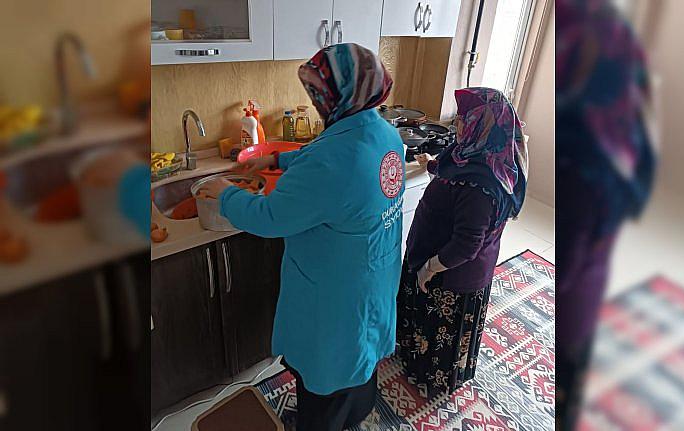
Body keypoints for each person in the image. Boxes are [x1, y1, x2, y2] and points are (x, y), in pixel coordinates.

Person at [200, 43, 404, 431]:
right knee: (359, 361)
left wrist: (225, 194)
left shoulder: (333, 163)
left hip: (334, 295)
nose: (315, 103)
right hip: (373, 275)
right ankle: (352, 418)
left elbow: (269, 217)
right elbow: (329, 153)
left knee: (326, 379)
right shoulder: (383, 132)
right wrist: (279, 159)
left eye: (317, 94)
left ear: (339, 96)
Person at [555, 1, 655, 429]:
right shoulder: (625, 140)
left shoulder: (581, 168)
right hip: (588, 298)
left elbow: (564, 269)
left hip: (570, 313)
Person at [397, 87, 528, 396]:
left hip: (450, 275)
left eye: (462, 118)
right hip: (441, 263)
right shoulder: (478, 155)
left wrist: (429, 268)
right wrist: (431, 164)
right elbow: (451, 171)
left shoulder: (482, 185)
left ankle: (430, 378)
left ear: (482, 124)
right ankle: (413, 358)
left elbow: (467, 245)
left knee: (438, 330)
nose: (456, 122)